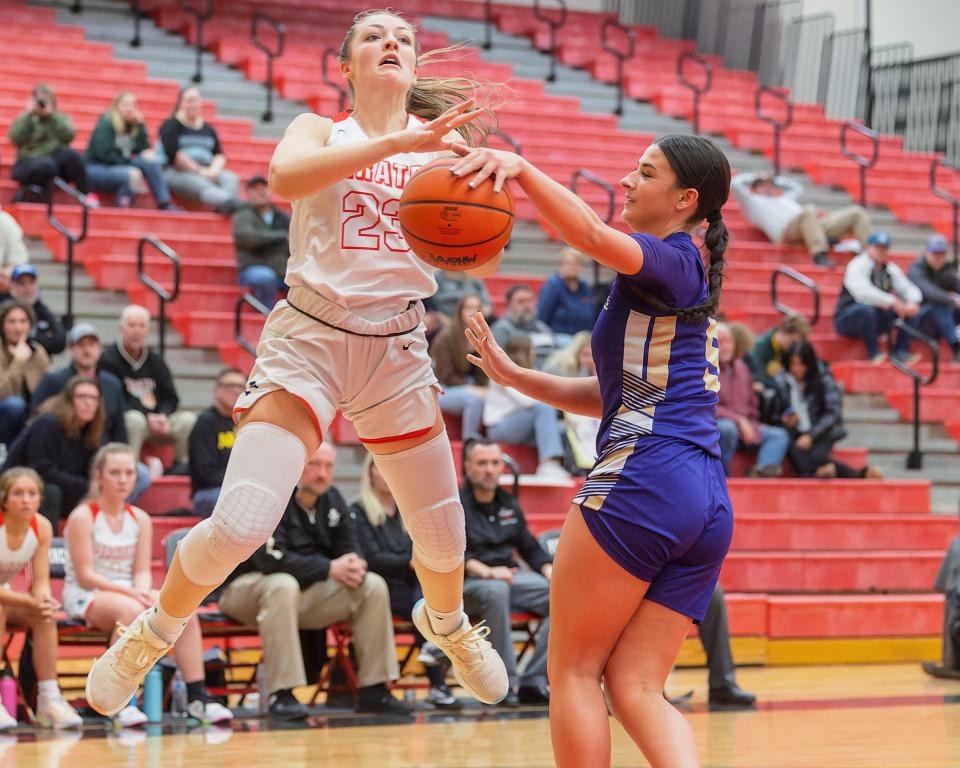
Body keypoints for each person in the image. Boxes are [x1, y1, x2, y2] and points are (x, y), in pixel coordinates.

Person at [84, 9, 509, 720]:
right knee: (244, 520)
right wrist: (400, 142)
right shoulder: (320, 130)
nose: (392, 44)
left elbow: (484, 252)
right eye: (374, 35)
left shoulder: (447, 146)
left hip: (397, 346)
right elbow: (284, 176)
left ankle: (448, 626)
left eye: (403, 36)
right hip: (310, 334)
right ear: (346, 65)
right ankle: (151, 631)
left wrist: (480, 199)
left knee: (441, 530)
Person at [453, 131, 733, 766]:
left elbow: (584, 234)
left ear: (685, 199)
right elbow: (618, 392)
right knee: (635, 687)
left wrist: (521, 168)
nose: (628, 182)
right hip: (706, 500)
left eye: (645, 172)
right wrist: (521, 380)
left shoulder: (668, 258)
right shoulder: (690, 276)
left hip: (644, 481)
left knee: (574, 672)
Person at [218, 444, 411, 717]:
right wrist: (330, 568)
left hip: (300, 594)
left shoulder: (332, 499)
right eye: (314, 465)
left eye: (329, 466)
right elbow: (270, 559)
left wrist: (353, 563)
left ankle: (375, 689)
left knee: (371, 585)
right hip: (245, 588)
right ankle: (281, 693)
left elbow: (349, 545)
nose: (322, 473)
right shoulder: (271, 496)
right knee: (282, 584)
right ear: (295, 466)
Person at [63, 444, 232, 727]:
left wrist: (142, 591)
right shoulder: (83, 516)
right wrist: (134, 594)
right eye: (115, 472)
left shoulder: (139, 518)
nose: (122, 479)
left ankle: (197, 698)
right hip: (88, 594)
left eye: (129, 472)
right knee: (130, 612)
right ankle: (121, 703)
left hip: (129, 591)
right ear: (99, 476)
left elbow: (142, 571)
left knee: (182, 612)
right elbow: (85, 575)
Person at [352, 452, 461, 710]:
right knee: (423, 603)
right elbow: (370, 557)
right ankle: (438, 677)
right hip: (380, 588)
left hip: (411, 584)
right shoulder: (358, 510)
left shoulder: (406, 510)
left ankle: (436, 672)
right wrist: (407, 562)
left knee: (424, 596)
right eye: (380, 468)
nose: (387, 474)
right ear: (370, 474)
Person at [461, 439, 553, 706]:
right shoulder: (455, 504)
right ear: (467, 467)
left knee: (561, 593)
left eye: (494, 463)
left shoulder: (508, 503)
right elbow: (455, 556)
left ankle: (534, 680)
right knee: (497, 590)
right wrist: (489, 572)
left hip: (509, 580)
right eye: (482, 463)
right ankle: (503, 683)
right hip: (469, 584)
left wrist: (550, 571)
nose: (489, 469)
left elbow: (530, 547)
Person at [0, 468, 84, 729]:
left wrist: (43, 599)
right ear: (4, 499)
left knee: (45, 615)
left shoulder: (42, 526)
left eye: (32, 493)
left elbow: (40, 581)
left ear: (40, 499)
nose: (26, 499)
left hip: (8, 597)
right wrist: (30, 602)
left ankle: (49, 699)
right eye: (18, 494)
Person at [98, 305, 196, 470]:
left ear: (147, 330)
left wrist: (163, 415)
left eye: (141, 325)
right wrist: (147, 416)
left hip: (158, 421)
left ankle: (181, 468)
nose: (136, 330)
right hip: (130, 421)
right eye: (132, 325)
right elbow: (114, 400)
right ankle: (130, 468)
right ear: (121, 328)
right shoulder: (108, 358)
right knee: (134, 420)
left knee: (187, 420)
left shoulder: (155, 360)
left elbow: (171, 397)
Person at [770, 341, 882, 480]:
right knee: (797, 450)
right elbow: (773, 413)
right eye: (792, 363)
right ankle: (860, 475)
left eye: (800, 364)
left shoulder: (823, 380)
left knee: (813, 457)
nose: (796, 368)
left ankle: (820, 473)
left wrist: (812, 435)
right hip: (795, 432)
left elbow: (832, 413)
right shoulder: (781, 382)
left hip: (821, 430)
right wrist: (785, 420)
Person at [4, 376, 103, 527]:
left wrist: (92, 487)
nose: (88, 402)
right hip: (18, 487)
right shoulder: (48, 423)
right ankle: (52, 545)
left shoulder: (90, 433)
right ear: (68, 401)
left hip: (63, 491)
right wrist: (85, 486)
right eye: (82, 397)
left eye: (93, 398)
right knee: (51, 491)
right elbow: (41, 470)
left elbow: (88, 473)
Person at [731, 171, 871, 267]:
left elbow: (797, 187)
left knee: (856, 213)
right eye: (763, 184)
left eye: (769, 184)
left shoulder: (782, 198)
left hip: (810, 225)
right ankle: (819, 254)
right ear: (754, 187)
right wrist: (757, 176)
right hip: (786, 231)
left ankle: (871, 254)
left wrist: (775, 179)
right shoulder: (752, 201)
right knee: (809, 210)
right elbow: (736, 184)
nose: (768, 187)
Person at [483, 334, 569, 479]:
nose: (534, 353)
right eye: (532, 349)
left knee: (562, 428)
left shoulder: (529, 370)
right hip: (500, 427)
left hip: (521, 426)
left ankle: (571, 468)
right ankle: (548, 464)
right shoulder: (501, 371)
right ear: (526, 351)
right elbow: (528, 401)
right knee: (543, 408)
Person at [834, 232, 922, 364]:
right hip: (847, 318)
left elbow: (908, 288)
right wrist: (893, 301)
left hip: (874, 318)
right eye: (878, 248)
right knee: (866, 310)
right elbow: (863, 294)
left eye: (884, 248)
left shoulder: (890, 269)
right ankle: (874, 353)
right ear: (868, 247)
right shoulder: (857, 264)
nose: (881, 252)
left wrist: (913, 302)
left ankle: (901, 352)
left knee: (911, 311)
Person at [31, 323, 127, 443]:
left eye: (91, 345)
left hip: (103, 452)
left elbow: (119, 430)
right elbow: (36, 422)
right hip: (63, 448)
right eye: (81, 345)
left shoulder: (112, 384)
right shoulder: (53, 381)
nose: (87, 350)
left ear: (99, 349)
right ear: (70, 349)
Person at [716, 322, 789, 477]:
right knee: (727, 428)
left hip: (745, 428)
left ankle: (760, 474)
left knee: (779, 435)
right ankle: (722, 478)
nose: (725, 347)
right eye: (720, 342)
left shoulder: (742, 367)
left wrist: (751, 423)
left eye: (728, 341)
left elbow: (752, 402)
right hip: (721, 429)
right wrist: (739, 420)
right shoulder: (705, 369)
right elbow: (707, 407)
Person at [86, 91, 174, 210]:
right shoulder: (106, 122)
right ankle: (122, 210)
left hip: (119, 164)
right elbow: (103, 154)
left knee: (149, 160)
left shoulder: (133, 125)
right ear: (116, 107)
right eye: (125, 105)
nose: (129, 109)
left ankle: (164, 203)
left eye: (132, 105)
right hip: (97, 168)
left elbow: (143, 149)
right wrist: (129, 166)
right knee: (132, 175)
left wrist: (140, 125)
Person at [158, 87, 241, 213]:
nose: (192, 105)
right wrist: (199, 171)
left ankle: (225, 206)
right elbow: (175, 155)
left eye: (195, 101)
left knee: (231, 178)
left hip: (207, 169)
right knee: (202, 184)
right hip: (179, 172)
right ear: (180, 103)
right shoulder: (170, 125)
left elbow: (219, 154)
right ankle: (236, 205)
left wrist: (213, 171)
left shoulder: (208, 128)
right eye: (189, 101)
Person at [8, 84, 90, 204]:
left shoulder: (59, 118)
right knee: (46, 165)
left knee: (72, 156)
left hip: (53, 162)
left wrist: (52, 116)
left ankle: (86, 195)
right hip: (29, 162)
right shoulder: (26, 118)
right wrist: (28, 115)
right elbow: (14, 138)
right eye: (39, 100)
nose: (42, 104)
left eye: (46, 100)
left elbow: (69, 136)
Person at [188, 368, 245, 517]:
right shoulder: (205, 423)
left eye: (241, 386)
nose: (236, 391)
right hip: (208, 493)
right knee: (234, 501)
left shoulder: (248, 422)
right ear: (217, 390)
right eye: (230, 386)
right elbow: (205, 473)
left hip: (240, 489)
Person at [431, 294, 488, 441]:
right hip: (442, 389)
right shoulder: (446, 337)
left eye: (477, 308)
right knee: (475, 399)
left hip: (466, 385)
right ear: (460, 311)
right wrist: (471, 388)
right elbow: (445, 376)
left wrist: (483, 388)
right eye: (468, 307)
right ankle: (469, 443)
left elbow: (483, 374)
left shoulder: (482, 336)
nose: (472, 312)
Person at [543, 332, 600, 473]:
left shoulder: (601, 370)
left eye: (591, 355)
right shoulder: (563, 369)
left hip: (588, 419)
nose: (588, 359)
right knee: (566, 431)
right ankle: (574, 469)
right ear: (576, 353)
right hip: (563, 416)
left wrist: (595, 370)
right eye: (585, 355)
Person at [232, 175, 291, 309]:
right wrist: (280, 237)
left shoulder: (282, 216)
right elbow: (248, 238)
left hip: (281, 269)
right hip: (253, 267)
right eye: (255, 189)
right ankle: (266, 317)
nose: (260, 191)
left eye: (264, 187)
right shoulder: (243, 214)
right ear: (247, 194)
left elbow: (293, 241)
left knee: (301, 280)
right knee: (265, 277)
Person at [0, 300, 50, 446]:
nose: (18, 327)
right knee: (14, 405)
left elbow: (48, 388)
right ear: (2, 325)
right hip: (5, 412)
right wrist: (18, 362)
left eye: (23, 321)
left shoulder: (38, 352)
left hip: (31, 412)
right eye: (12, 322)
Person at [908, 234, 960, 364]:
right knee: (940, 304)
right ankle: (956, 348)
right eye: (935, 253)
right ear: (926, 252)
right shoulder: (916, 270)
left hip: (943, 321)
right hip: (918, 322)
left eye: (941, 254)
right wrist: (952, 300)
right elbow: (929, 292)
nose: (938, 257)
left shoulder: (947, 270)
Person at [490, 284, 557, 367]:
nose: (527, 305)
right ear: (508, 305)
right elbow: (497, 363)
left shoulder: (543, 328)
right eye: (521, 301)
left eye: (530, 300)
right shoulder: (501, 330)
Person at [537, 248, 598, 339]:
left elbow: (592, 313)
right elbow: (541, 317)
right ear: (560, 266)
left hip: (584, 337)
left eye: (576, 263)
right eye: (568, 263)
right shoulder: (553, 286)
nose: (572, 267)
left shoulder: (585, 287)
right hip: (559, 337)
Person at [7, 264, 66, 357]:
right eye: (22, 283)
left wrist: (27, 341)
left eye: (31, 282)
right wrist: (43, 338)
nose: (27, 288)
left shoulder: (43, 310)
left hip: (39, 366)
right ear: (12, 286)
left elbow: (59, 341)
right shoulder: (5, 310)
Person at [750, 313, 809, 388]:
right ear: (784, 332)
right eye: (792, 341)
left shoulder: (787, 349)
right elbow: (759, 378)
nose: (793, 346)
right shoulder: (761, 347)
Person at [0, 208, 28, 294]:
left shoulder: (6, 221)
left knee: (27, 282)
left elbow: (19, 260)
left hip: (4, 288)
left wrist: (8, 273)